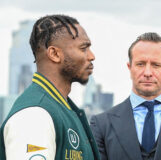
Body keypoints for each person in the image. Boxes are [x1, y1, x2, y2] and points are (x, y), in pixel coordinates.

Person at [90, 32, 161, 160]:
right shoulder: (101, 124)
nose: (147, 73)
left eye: (156, 65)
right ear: (130, 68)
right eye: (140, 64)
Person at [0, 14, 101, 160]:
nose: (92, 56)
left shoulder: (64, 108)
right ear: (54, 54)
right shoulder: (34, 116)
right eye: (83, 48)